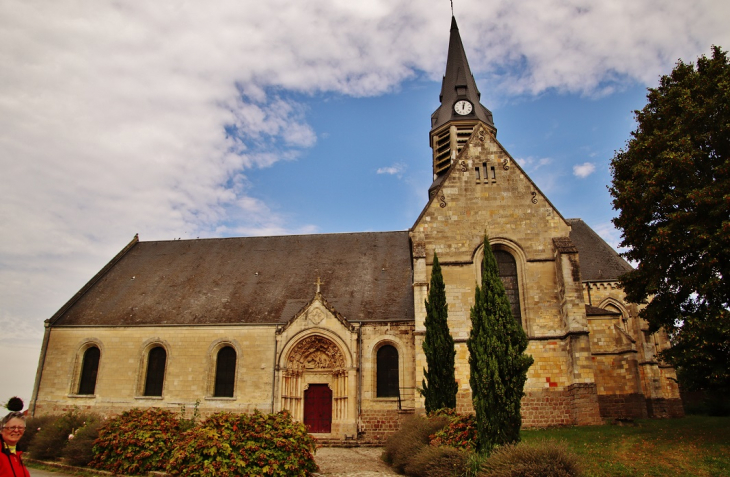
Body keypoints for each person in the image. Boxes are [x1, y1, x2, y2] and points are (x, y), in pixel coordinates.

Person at [1, 398, 30, 477]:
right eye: (12, 427)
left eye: (20, 428)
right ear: (2, 429)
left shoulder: (17, 453)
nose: (16, 430)